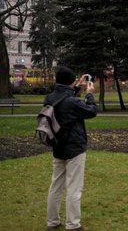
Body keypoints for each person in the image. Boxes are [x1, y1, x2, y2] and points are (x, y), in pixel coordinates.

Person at [46, 67, 97, 231]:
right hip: (74, 148)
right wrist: (89, 94)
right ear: (70, 82)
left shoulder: (50, 98)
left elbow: (64, 101)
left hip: (57, 145)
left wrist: (75, 88)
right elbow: (91, 111)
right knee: (74, 188)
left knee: (56, 186)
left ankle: (52, 222)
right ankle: (73, 225)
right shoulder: (73, 102)